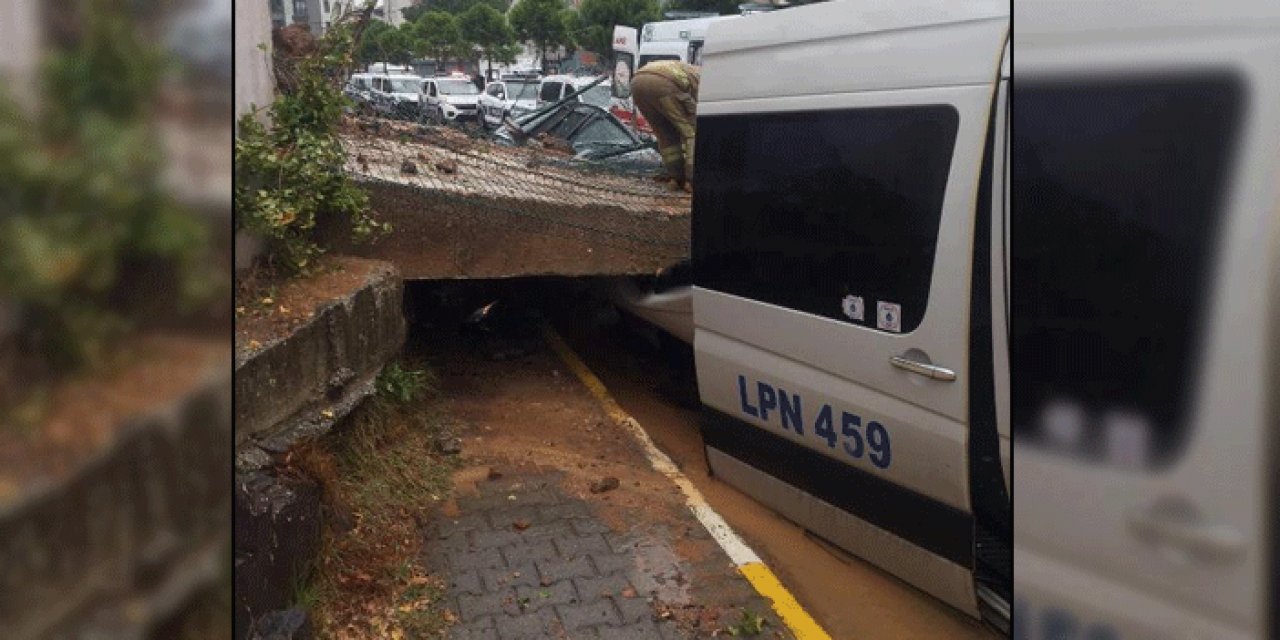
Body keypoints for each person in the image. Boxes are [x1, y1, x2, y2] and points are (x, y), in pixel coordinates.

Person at [631, 60, 700, 192]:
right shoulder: (705, 79)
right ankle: (692, 181)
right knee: (693, 132)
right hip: (664, 84)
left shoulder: (691, 70)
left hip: (637, 82)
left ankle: (676, 178)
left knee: (665, 135)